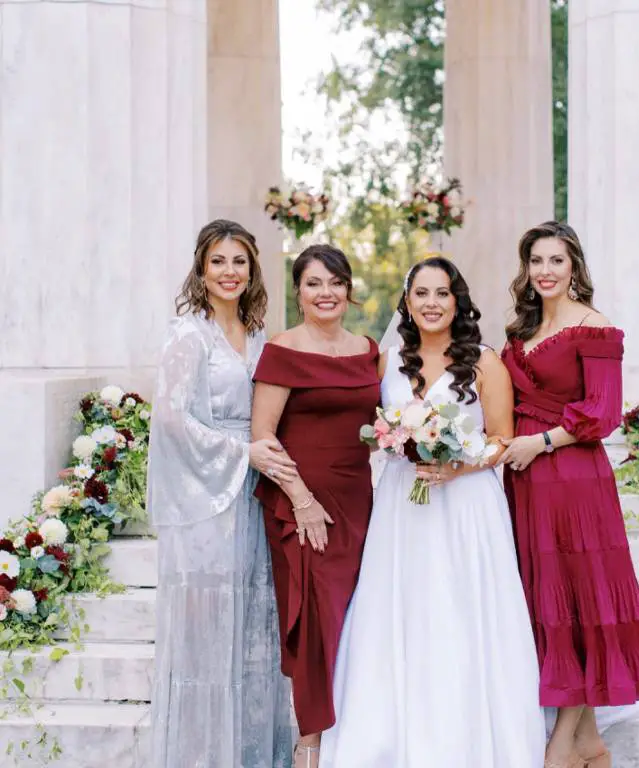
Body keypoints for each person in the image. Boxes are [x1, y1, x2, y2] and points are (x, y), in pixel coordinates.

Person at [319, 257, 546, 768]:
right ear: (407, 301)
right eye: (421, 293)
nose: (431, 303)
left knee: (460, 612)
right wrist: (401, 444)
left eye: (442, 293)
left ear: (457, 300)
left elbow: (501, 440)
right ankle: (391, 735)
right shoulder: (388, 361)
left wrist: (457, 467)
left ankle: (468, 737)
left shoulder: (484, 361)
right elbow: (375, 426)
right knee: (403, 609)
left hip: (466, 506)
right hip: (403, 505)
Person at [500, 221, 639, 768]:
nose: (545, 271)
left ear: (574, 266)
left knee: (577, 601)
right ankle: (590, 742)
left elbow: (602, 412)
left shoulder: (595, 328)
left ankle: (561, 745)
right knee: (549, 598)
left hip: (571, 476)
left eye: (556, 260)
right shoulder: (521, 330)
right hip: (524, 481)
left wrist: (541, 442)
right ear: (525, 270)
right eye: (536, 261)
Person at [147, 219, 294, 768]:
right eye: (218, 262)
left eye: (239, 262)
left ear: (253, 268)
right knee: (207, 632)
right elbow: (171, 419)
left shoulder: (257, 335)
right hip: (207, 495)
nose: (229, 272)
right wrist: (241, 453)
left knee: (251, 623)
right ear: (201, 270)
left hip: (255, 492)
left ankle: (251, 753)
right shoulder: (189, 334)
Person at [251, 244, 380, 768]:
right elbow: (262, 437)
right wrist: (301, 500)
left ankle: (350, 730)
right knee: (313, 617)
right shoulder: (283, 349)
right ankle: (310, 740)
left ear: (349, 290)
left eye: (335, 282)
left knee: (352, 614)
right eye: (313, 283)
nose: (326, 293)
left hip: (358, 500)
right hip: (300, 503)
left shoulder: (369, 350)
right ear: (298, 292)